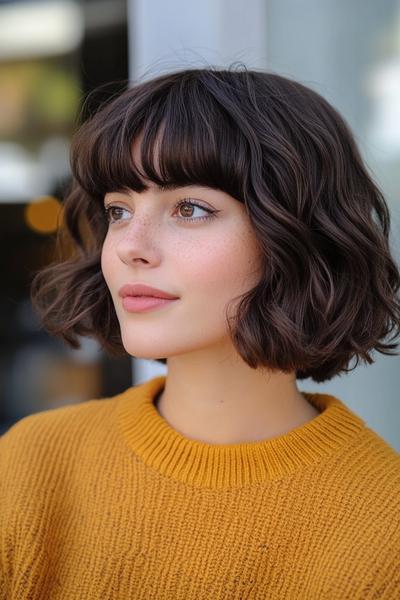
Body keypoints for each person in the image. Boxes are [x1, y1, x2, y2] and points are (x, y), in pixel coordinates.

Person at [1, 65, 399, 599]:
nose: (128, 246)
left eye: (189, 208)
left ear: (298, 235)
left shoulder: (383, 524)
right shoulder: (31, 465)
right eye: (119, 210)